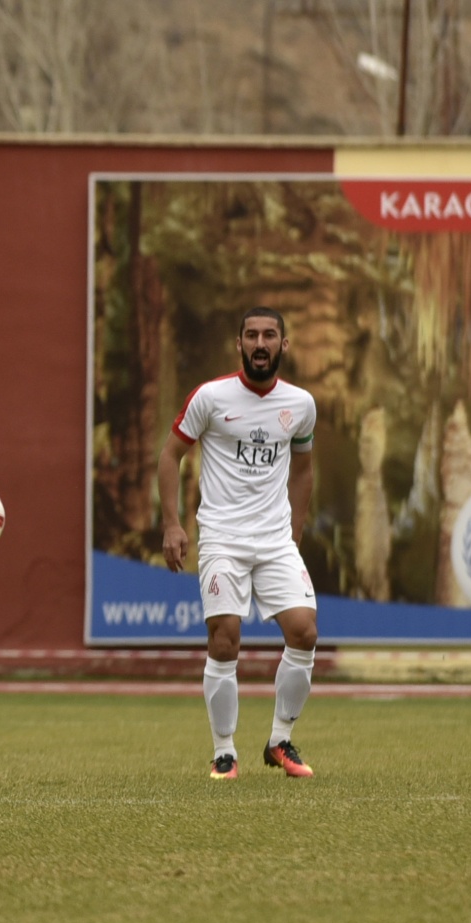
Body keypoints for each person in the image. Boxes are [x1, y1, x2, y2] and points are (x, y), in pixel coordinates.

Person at [156, 306, 320, 781]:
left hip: (275, 541)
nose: (260, 343)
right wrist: (172, 524)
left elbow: (304, 470)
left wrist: (294, 535)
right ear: (239, 344)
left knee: (304, 632)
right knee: (225, 638)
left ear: (283, 345)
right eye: (251, 335)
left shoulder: (301, 405)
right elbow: (171, 456)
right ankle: (224, 751)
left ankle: (280, 740)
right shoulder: (210, 397)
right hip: (223, 537)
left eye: (270, 335)